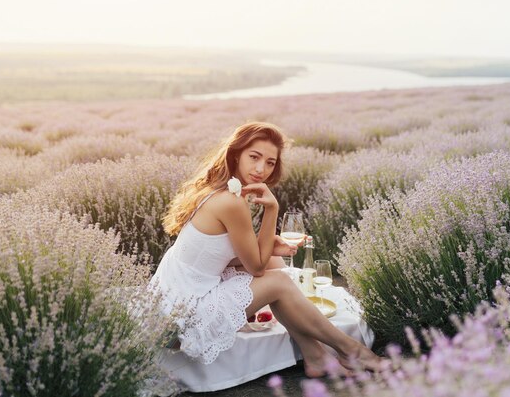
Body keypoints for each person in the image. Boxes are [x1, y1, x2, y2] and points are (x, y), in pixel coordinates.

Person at [150, 122, 388, 376]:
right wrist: (272, 209)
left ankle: (315, 356)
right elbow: (256, 266)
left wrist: (269, 246)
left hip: (176, 297)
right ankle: (353, 351)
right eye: (254, 157)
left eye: (270, 162)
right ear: (236, 154)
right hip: (182, 320)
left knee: (275, 264)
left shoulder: (216, 189)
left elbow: (211, 256)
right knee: (278, 281)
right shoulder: (231, 202)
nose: (261, 169)